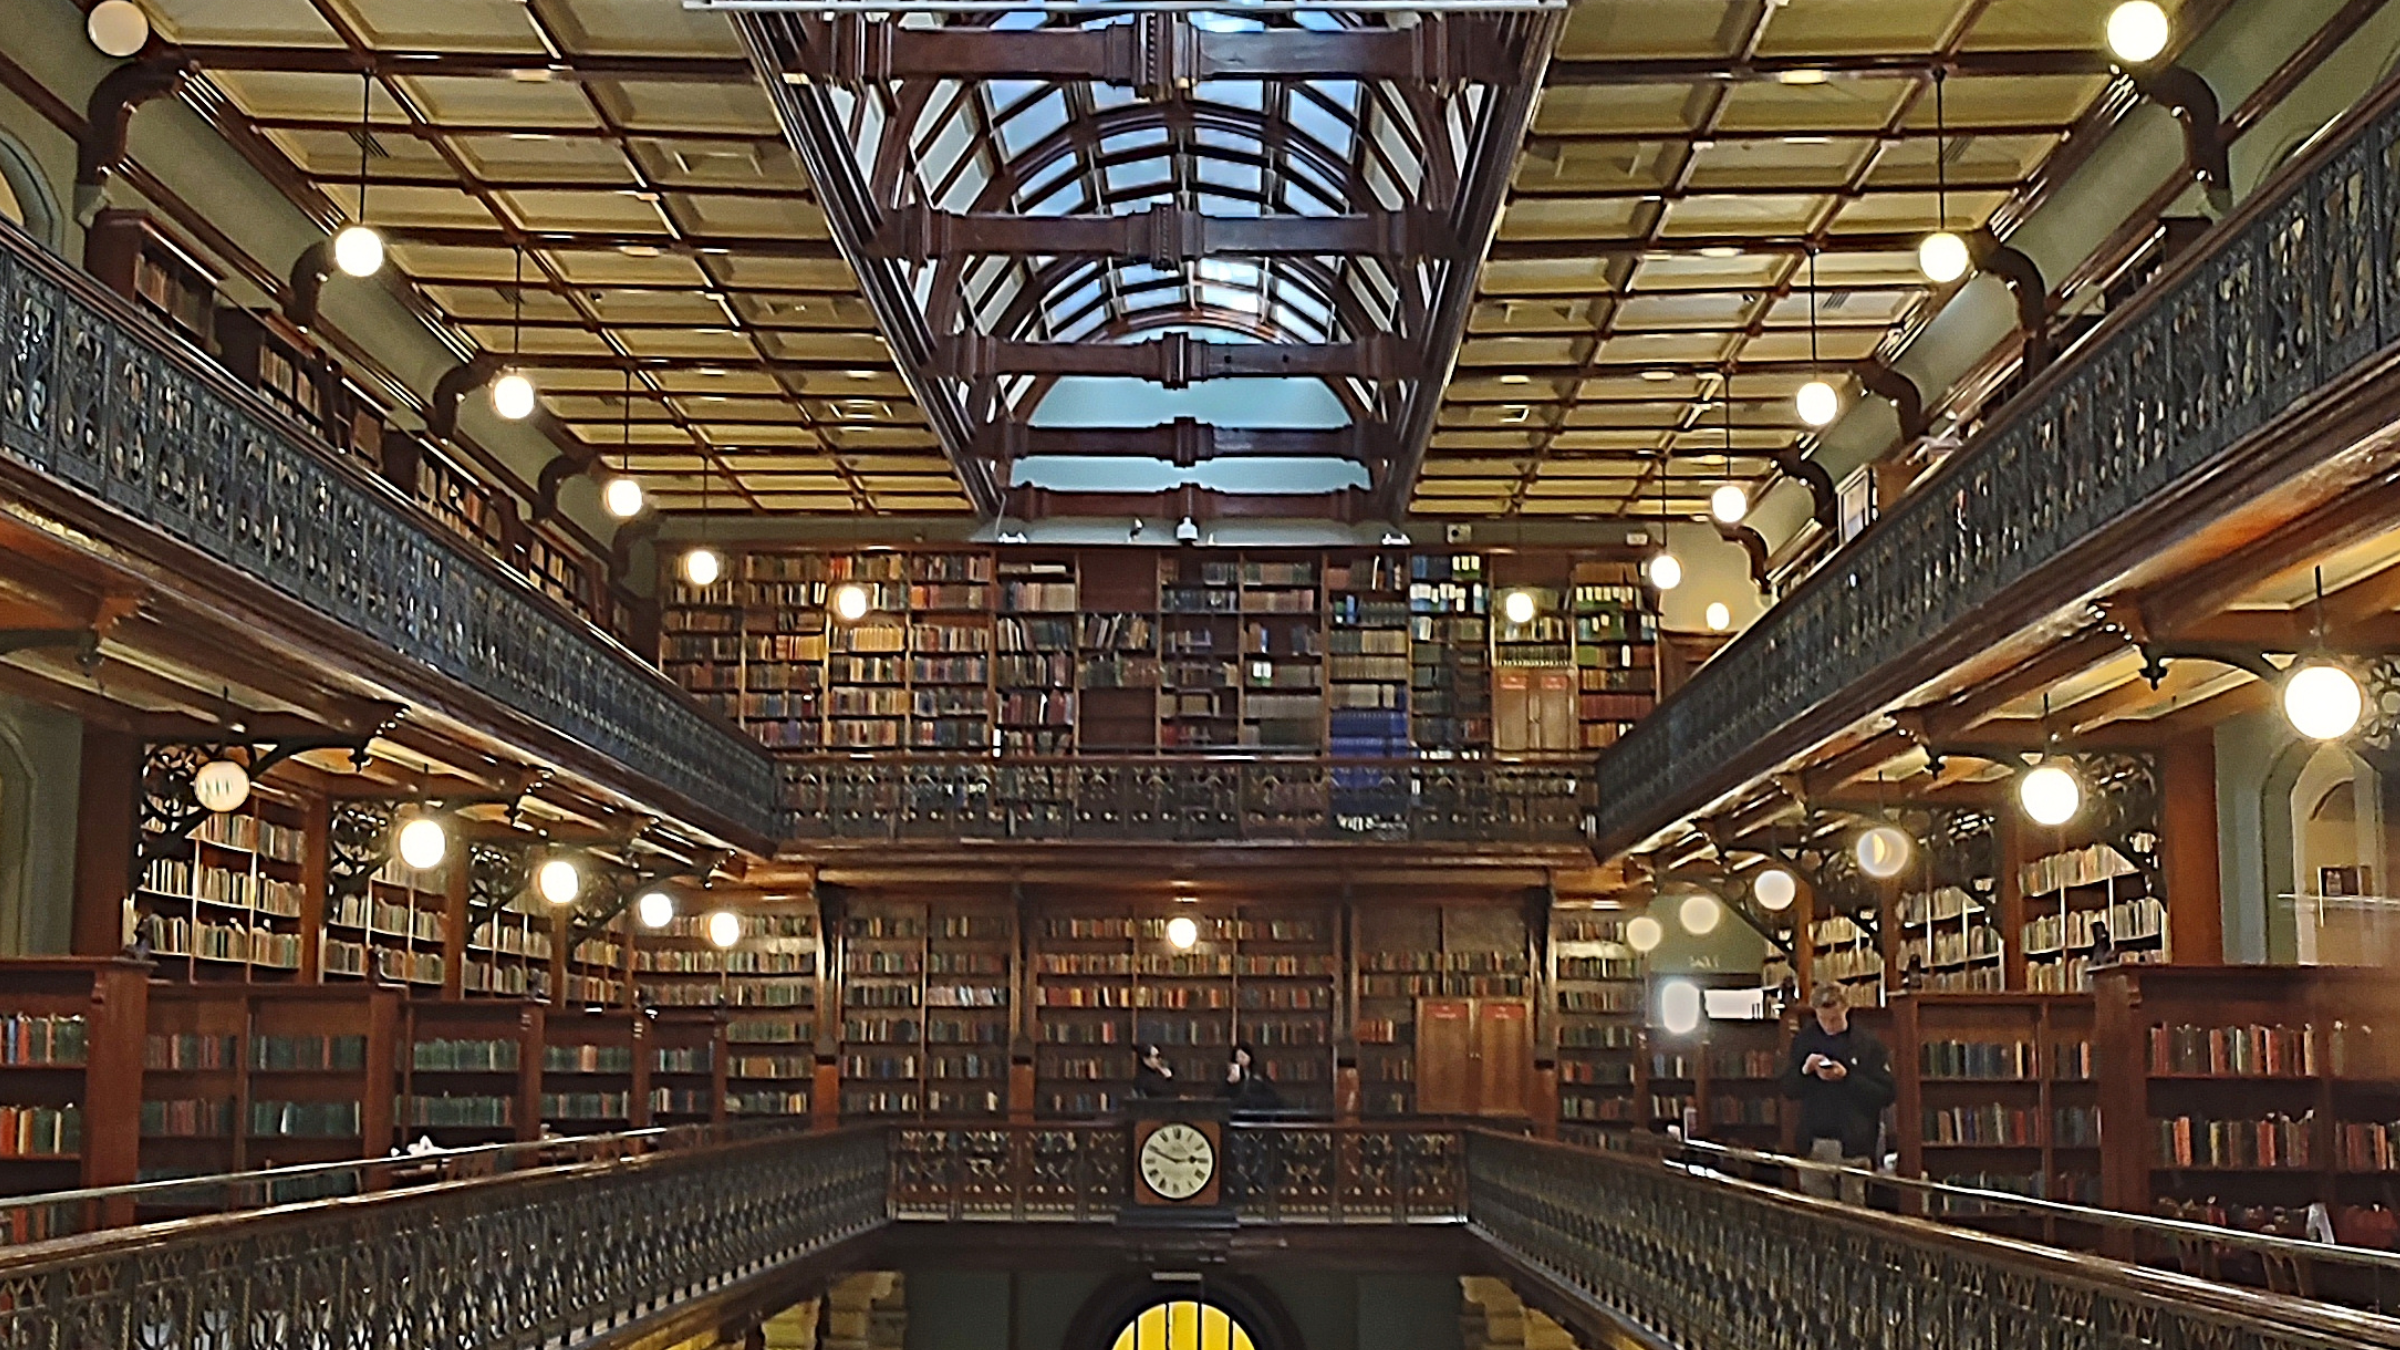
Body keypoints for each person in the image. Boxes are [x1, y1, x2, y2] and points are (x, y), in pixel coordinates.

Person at [1780, 984, 1893, 1204]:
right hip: (1815, 1143)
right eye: (1824, 1020)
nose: (1830, 1025)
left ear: (1846, 1009)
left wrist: (1847, 1077)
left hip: (1855, 1143)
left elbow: (1886, 1093)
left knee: (1854, 1213)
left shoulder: (1867, 1044)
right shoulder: (1804, 1041)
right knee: (1818, 1213)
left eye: (1835, 1019)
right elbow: (1788, 1089)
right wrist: (1805, 1071)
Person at [1221, 1043, 1280, 1111]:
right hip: (1238, 1110)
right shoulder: (1230, 1075)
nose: (1240, 1059)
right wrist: (1229, 1082)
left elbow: (1270, 1093)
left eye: (1242, 1056)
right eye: (1237, 1057)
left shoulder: (1258, 1073)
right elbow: (1221, 1097)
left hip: (1257, 1110)